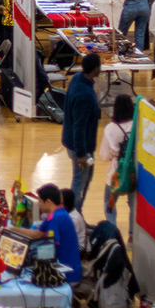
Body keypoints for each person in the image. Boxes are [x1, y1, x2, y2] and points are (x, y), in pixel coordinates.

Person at [62, 53, 103, 204]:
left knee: (86, 178)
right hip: (80, 147)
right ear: (96, 69)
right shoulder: (85, 96)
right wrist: (81, 154)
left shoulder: (78, 78)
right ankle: (74, 214)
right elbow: (79, 127)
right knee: (79, 182)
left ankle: (77, 215)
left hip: (76, 142)